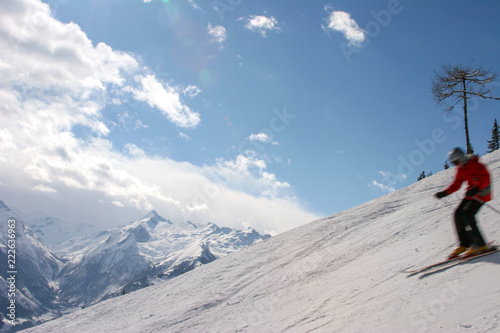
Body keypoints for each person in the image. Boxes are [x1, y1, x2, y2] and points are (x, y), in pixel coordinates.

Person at [435, 147, 494, 258]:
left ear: (461, 158)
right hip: (471, 194)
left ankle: (480, 244)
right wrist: (445, 192)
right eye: (453, 163)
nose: (456, 165)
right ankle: (464, 244)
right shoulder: (461, 169)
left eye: (456, 162)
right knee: (458, 214)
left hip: (483, 193)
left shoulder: (476, 165)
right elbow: (457, 184)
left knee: (467, 214)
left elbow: (486, 178)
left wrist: (477, 189)